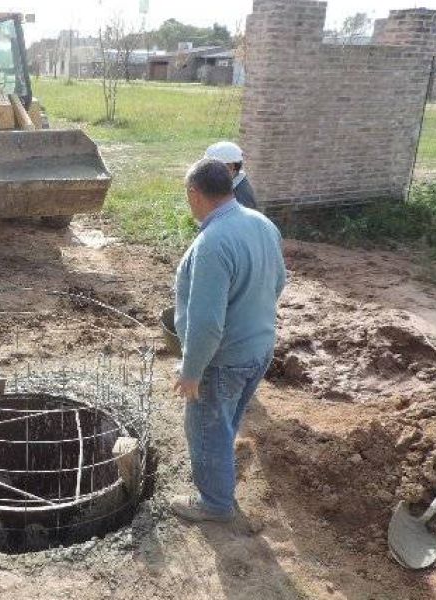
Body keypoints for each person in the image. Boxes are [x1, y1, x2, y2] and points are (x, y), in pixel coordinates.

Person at [171, 158, 286, 523]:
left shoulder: (212, 242)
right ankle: (221, 482)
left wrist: (191, 372)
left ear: (194, 193)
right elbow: (278, 282)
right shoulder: (261, 224)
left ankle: (215, 504)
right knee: (227, 421)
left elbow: (206, 324)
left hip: (223, 360)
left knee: (205, 427)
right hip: (260, 347)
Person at [204, 141, 257, 209]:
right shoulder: (228, 183)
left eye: (213, 167)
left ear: (231, 167)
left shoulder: (241, 196)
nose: (209, 172)